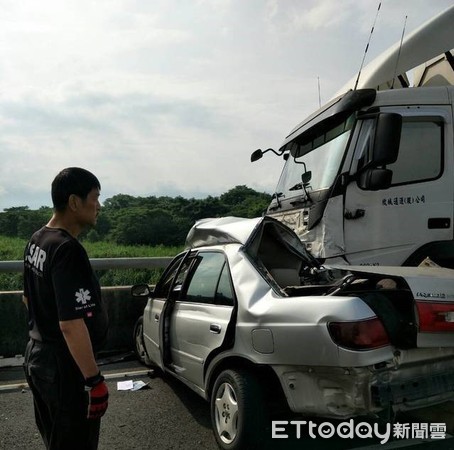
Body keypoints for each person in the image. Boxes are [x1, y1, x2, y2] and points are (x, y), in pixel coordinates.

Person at [23, 167, 109, 450]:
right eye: (95, 198)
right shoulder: (67, 250)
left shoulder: (38, 239)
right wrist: (94, 380)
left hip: (38, 357)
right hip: (63, 368)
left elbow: (28, 299)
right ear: (74, 202)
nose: (98, 206)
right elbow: (71, 324)